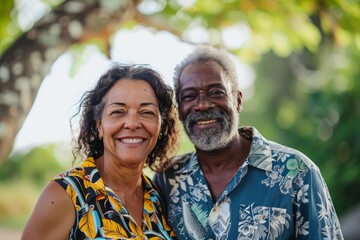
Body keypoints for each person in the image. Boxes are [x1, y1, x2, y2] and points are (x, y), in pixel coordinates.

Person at [154, 45, 344, 239]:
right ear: (180, 109)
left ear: (238, 100)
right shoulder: (168, 179)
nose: (202, 104)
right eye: (189, 96)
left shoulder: (297, 172)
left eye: (216, 92)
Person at [22, 63, 179, 239]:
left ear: (160, 125)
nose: (133, 123)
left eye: (147, 112)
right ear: (99, 125)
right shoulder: (65, 195)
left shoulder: (159, 198)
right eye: (118, 112)